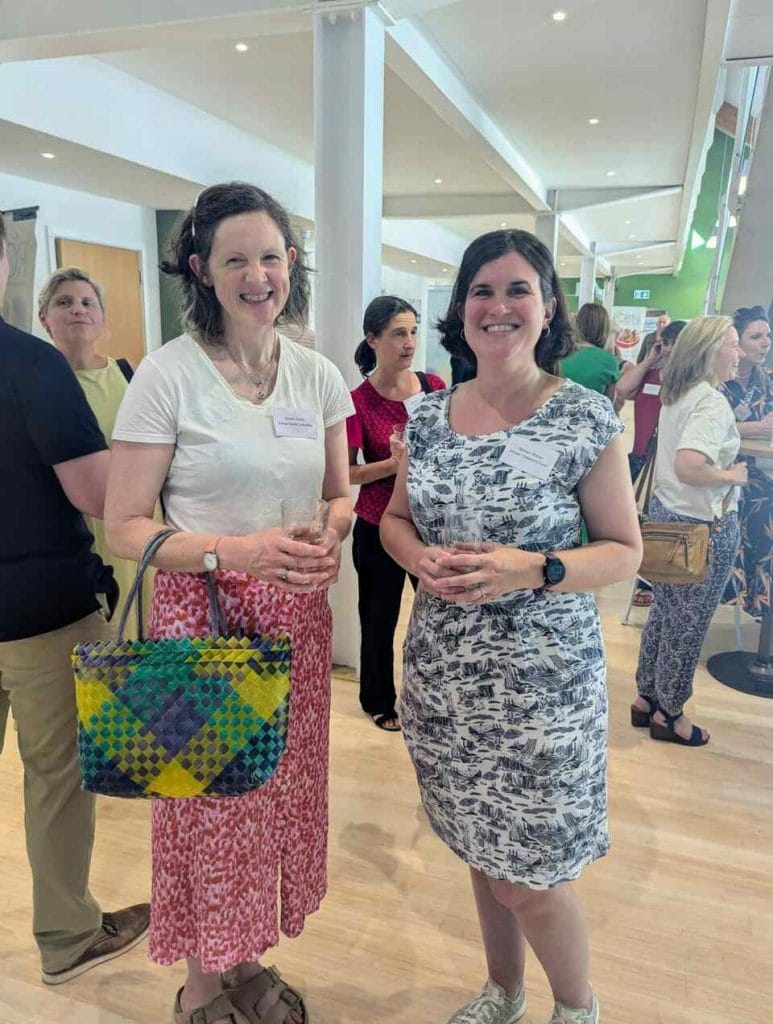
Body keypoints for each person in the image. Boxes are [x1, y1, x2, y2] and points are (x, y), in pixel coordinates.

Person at [105, 182, 354, 1024]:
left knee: (272, 802)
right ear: (202, 271)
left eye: (272, 257)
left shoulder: (316, 374)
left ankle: (245, 956)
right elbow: (124, 528)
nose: (258, 275)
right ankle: (201, 987)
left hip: (294, 620)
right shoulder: (168, 377)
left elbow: (339, 490)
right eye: (236, 258)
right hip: (201, 625)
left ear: (292, 267)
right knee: (213, 809)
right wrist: (233, 552)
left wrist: (331, 531)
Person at [381, 228, 642, 1024]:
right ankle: (504, 990)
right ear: (461, 309)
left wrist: (535, 567)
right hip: (443, 679)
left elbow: (623, 551)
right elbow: (393, 521)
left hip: (540, 689)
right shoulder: (423, 417)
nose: (498, 307)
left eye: (517, 289)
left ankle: (576, 1008)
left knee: (526, 874)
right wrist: (417, 558)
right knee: (474, 845)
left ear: (547, 306)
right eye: (482, 291)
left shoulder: (583, 418)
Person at [0, 217, 149, 985]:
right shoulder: (29, 365)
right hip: (37, 611)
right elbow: (96, 493)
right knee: (54, 777)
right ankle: (66, 935)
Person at [632, 316, 747, 747]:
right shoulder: (711, 403)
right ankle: (671, 713)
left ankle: (647, 698)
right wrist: (732, 475)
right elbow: (690, 465)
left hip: (669, 518)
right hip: (702, 529)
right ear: (710, 351)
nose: (738, 354)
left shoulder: (677, 394)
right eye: (733, 345)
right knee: (689, 624)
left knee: (664, 613)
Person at [347, 296, 445, 731]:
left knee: (441, 618)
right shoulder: (358, 401)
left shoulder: (435, 386)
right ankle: (379, 701)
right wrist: (392, 464)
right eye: (398, 334)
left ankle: (436, 694)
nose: (409, 343)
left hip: (429, 524)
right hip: (376, 525)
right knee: (379, 617)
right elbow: (348, 473)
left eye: (413, 332)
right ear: (373, 340)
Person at [38, 266, 151, 625]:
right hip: (76, 525)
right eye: (64, 302)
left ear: (101, 318)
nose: (78, 309)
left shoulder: (128, 374)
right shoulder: (37, 382)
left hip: (137, 517)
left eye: (88, 302)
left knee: (145, 619)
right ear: (44, 318)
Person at [616, 319, 687, 606]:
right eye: (667, 343)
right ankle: (643, 576)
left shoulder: (686, 382)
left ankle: (655, 580)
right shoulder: (650, 374)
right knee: (637, 520)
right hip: (641, 456)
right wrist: (650, 358)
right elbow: (623, 388)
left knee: (660, 521)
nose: (670, 350)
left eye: (675, 344)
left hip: (669, 463)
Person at [719, 305, 772, 619]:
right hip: (720, 468)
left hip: (754, 468)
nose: (766, 343)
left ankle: (758, 598)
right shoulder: (719, 382)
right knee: (762, 500)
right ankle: (744, 593)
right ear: (737, 343)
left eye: (767, 335)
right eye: (756, 336)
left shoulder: (767, 382)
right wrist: (758, 428)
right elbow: (710, 429)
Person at [559, 302, 620, 404]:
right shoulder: (610, 361)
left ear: (577, 323)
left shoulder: (559, 354)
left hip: (556, 415)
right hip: (591, 417)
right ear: (604, 329)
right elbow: (609, 405)